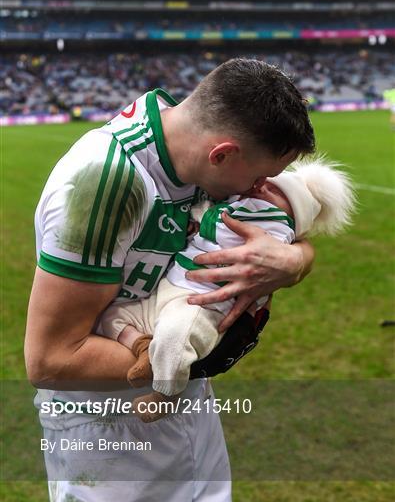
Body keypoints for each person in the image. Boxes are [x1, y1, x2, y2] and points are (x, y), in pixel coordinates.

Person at [25, 58, 315, 502]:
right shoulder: (105, 182)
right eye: (258, 178)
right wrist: (190, 356)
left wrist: (294, 262)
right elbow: (51, 359)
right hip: (109, 424)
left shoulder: (197, 156)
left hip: (183, 399)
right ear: (222, 153)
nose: (260, 190)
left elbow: (286, 232)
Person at [100, 158, 356, 422]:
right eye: (270, 184)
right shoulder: (240, 203)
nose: (264, 187)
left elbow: (272, 239)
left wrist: (296, 258)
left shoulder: (272, 222)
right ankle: (143, 347)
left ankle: (166, 394)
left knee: (174, 339)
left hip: (201, 303)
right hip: (169, 287)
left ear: (293, 214)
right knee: (113, 316)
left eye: (277, 192)